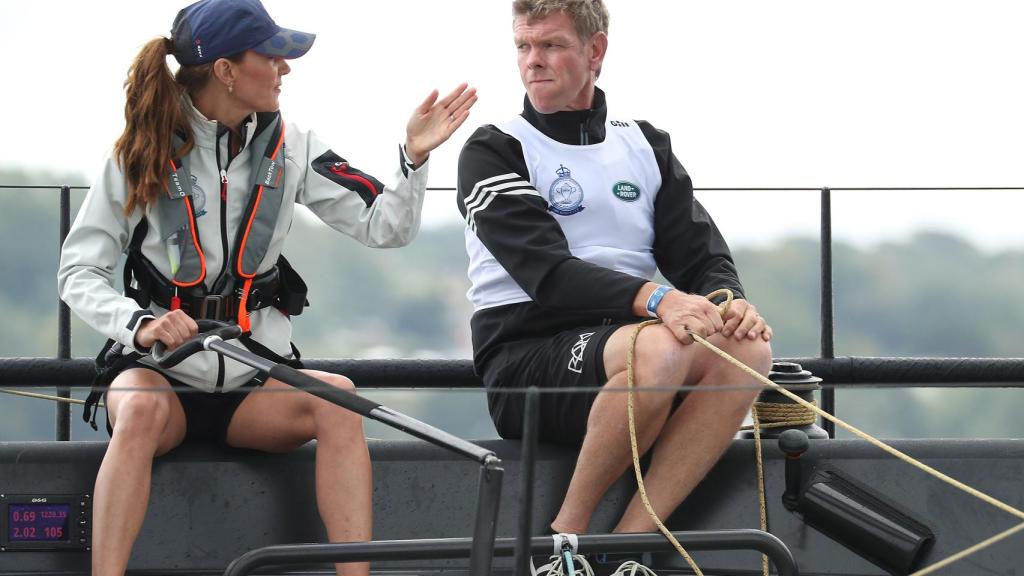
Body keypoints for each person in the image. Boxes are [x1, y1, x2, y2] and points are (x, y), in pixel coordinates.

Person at [57, 1, 476, 575]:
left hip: (253, 380)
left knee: (340, 402)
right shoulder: (137, 153)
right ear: (227, 70)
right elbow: (79, 272)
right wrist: (139, 324)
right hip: (160, 377)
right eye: (273, 55)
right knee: (139, 412)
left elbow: (388, 227)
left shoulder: (295, 146)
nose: (286, 68)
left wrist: (414, 158)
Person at [456, 0, 771, 573]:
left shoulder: (644, 146)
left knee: (749, 351)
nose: (533, 61)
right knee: (656, 346)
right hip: (525, 356)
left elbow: (701, 256)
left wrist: (729, 303)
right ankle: (561, 548)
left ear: (595, 51)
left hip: (633, 344)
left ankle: (630, 549)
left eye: (550, 45)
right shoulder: (493, 148)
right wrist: (658, 300)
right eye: (523, 46)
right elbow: (547, 274)